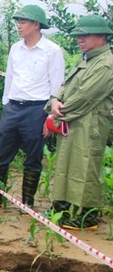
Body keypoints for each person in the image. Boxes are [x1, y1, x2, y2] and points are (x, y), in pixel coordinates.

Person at [0, 5, 64, 211]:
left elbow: (57, 85)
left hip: (37, 109)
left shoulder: (52, 51)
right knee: (0, 153)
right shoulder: (16, 48)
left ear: (36, 25)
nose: (19, 26)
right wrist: (7, 104)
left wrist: (50, 117)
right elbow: (10, 78)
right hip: (14, 107)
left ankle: (27, 203)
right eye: (18, 22)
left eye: (23, 22)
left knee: (33, 156)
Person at [45, 14, 113, 230]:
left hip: (89, 123)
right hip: (73, 120)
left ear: (101, 37)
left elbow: (86, 96)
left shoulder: (106, 65)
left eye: (85, 35)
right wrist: (55, 101)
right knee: (66, 163)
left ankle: (89, 215)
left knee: (86, 166)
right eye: (78, 36)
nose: (80, 40)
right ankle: (62, 207)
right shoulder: (86, 58)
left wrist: (57, 112)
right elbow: (67, 85)